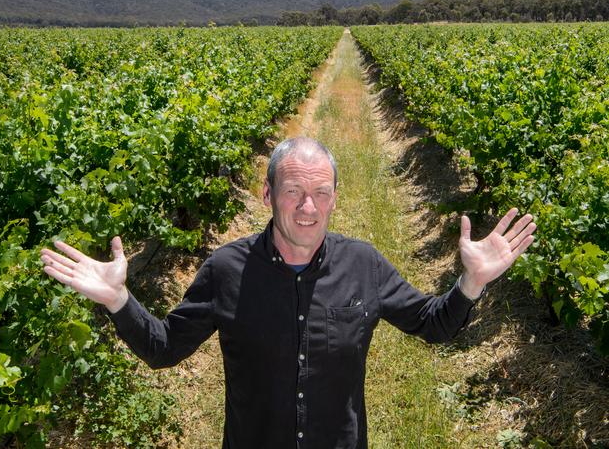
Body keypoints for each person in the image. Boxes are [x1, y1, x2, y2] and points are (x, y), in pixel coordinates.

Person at [40, 136, 536, 449]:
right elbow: (164, 347)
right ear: (268, 195)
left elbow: (433, 324)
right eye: (294, 191)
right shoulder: (226, 269)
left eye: (321, 193)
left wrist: (471, 283)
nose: (307, 207)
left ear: (336, 199)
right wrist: (117, 301)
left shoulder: (363, 264)